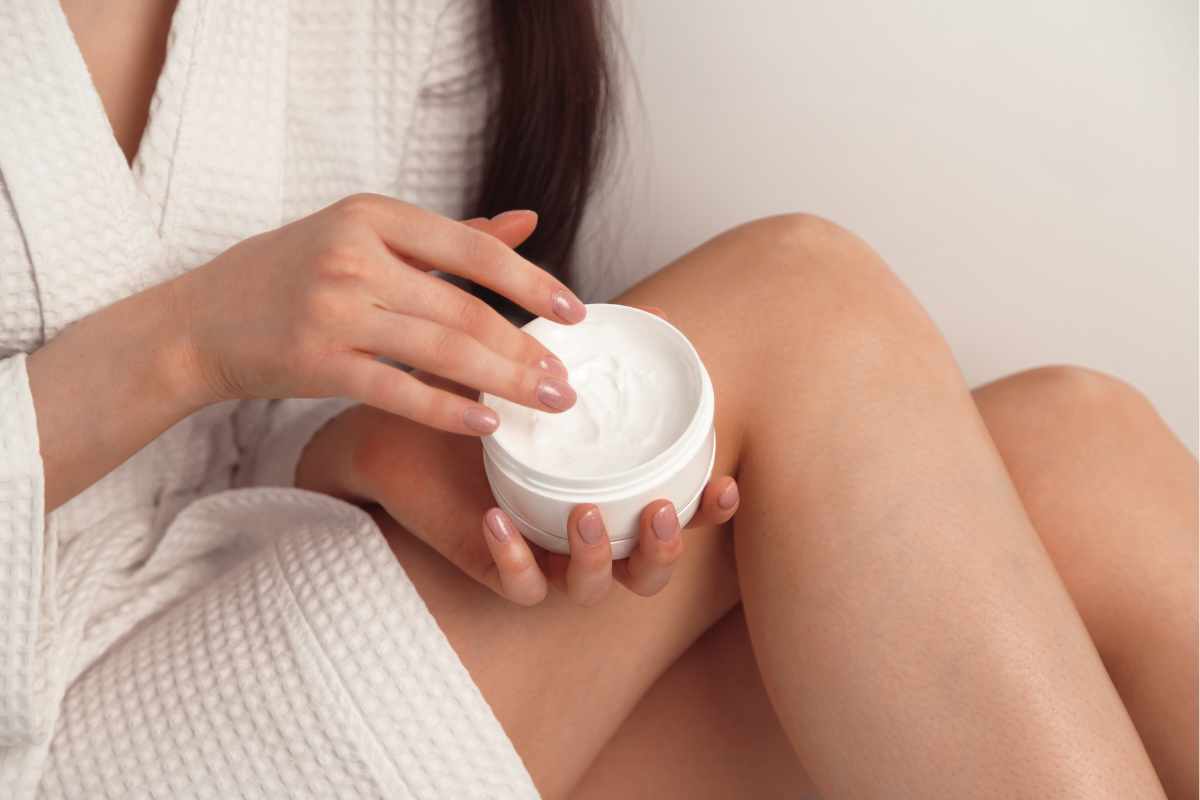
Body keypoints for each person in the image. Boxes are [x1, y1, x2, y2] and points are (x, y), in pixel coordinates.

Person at [0, 1, 1194, 798]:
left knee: (1078, 457)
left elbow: (282, 400)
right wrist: (184, 342)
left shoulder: (398, 16)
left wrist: (371, 450)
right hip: (50, 734)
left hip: (247, 618)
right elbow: (227, 342)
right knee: (802, 302)